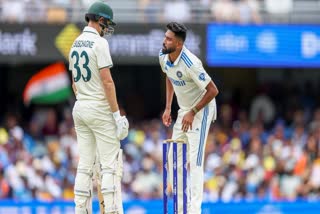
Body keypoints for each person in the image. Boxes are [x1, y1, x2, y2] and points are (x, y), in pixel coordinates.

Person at [69, 1, 129, 213]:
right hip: (98, 108)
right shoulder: (99, 43)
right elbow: (107, 82)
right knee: (110, 166)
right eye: (107, 23)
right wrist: (117, 115)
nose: (108, 28)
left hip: (80, 107)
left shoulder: (75, 42)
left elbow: (75, 83)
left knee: (85, 165)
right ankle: (111, 210)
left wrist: (85, 100)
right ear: (101, 20)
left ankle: (81, 210)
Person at [160, 22, 219, 214]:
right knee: (172, 159)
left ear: (178, 44)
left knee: (195, 161)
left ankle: (194, 210)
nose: (164, 40)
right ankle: (179, 207)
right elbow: (169, 76)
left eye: (169, 39)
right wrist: (168, 107)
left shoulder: (191, 62)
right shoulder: (163, 55)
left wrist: (193, 111)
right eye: (165, 36)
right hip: (184, 110)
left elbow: (213, 90)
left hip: (201, 111)